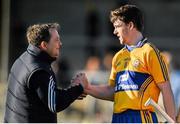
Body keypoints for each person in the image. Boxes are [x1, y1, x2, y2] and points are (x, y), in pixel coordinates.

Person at [73, 5, 176, 123]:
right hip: (118, 118)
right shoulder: (118, 57)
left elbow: (166, 88)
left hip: (140, 117)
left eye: (117, 26)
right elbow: (113, 91)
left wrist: (171, 120)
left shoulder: (149, 52)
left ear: (130, 25)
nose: (114, 31)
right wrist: (87, 88)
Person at [4, 23, 85, 123]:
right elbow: (55, 103)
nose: (60, 44)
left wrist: (73, 90)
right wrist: (79, 88)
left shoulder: (23, 59)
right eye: (56, 40)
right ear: (44, 45)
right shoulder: (38, 70)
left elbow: (46, 93)